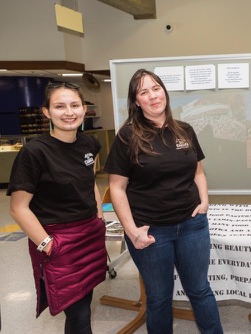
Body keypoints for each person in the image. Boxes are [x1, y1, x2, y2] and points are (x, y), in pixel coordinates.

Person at [104, 69, 222, 334]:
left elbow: (199, 173)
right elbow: (117, 188)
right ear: (136, 101)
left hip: (192, 226)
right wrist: (132, 231)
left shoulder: (185, 130)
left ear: (164, 92)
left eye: (156, 88)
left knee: (200, 290)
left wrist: (204, 203)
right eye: (143, 92)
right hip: (151, 232)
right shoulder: (127, 137)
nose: (153, 96)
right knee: (158, 298)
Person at [7, 82, 107, 333]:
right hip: (58, 240)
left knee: (85, 301)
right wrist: (47, 245)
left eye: (74, 105)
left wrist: (99, 218)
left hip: (89, 235)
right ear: (46, 112)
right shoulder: (34, 152)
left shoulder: (89, 145)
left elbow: (90, 182)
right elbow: (18, 208)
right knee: (78, 313)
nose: (69, 112)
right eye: (59, 106)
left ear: (84, 109)